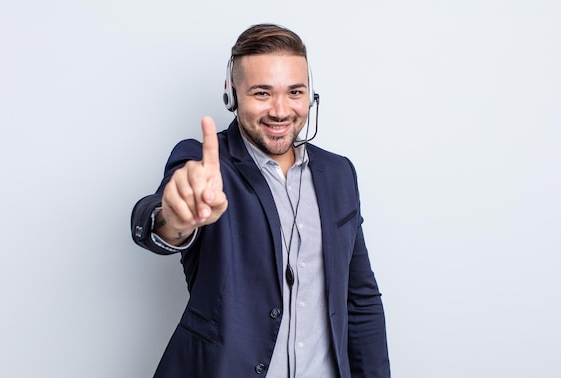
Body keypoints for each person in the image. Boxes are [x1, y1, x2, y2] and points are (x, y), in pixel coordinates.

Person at [131, 23, 390, 378]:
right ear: (232, 94)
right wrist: (175, 220)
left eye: (295, 92)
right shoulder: (205, 163)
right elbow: (159, 217)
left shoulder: (339, 173)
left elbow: (360, 299)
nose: (281, 111)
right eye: (262, 93)